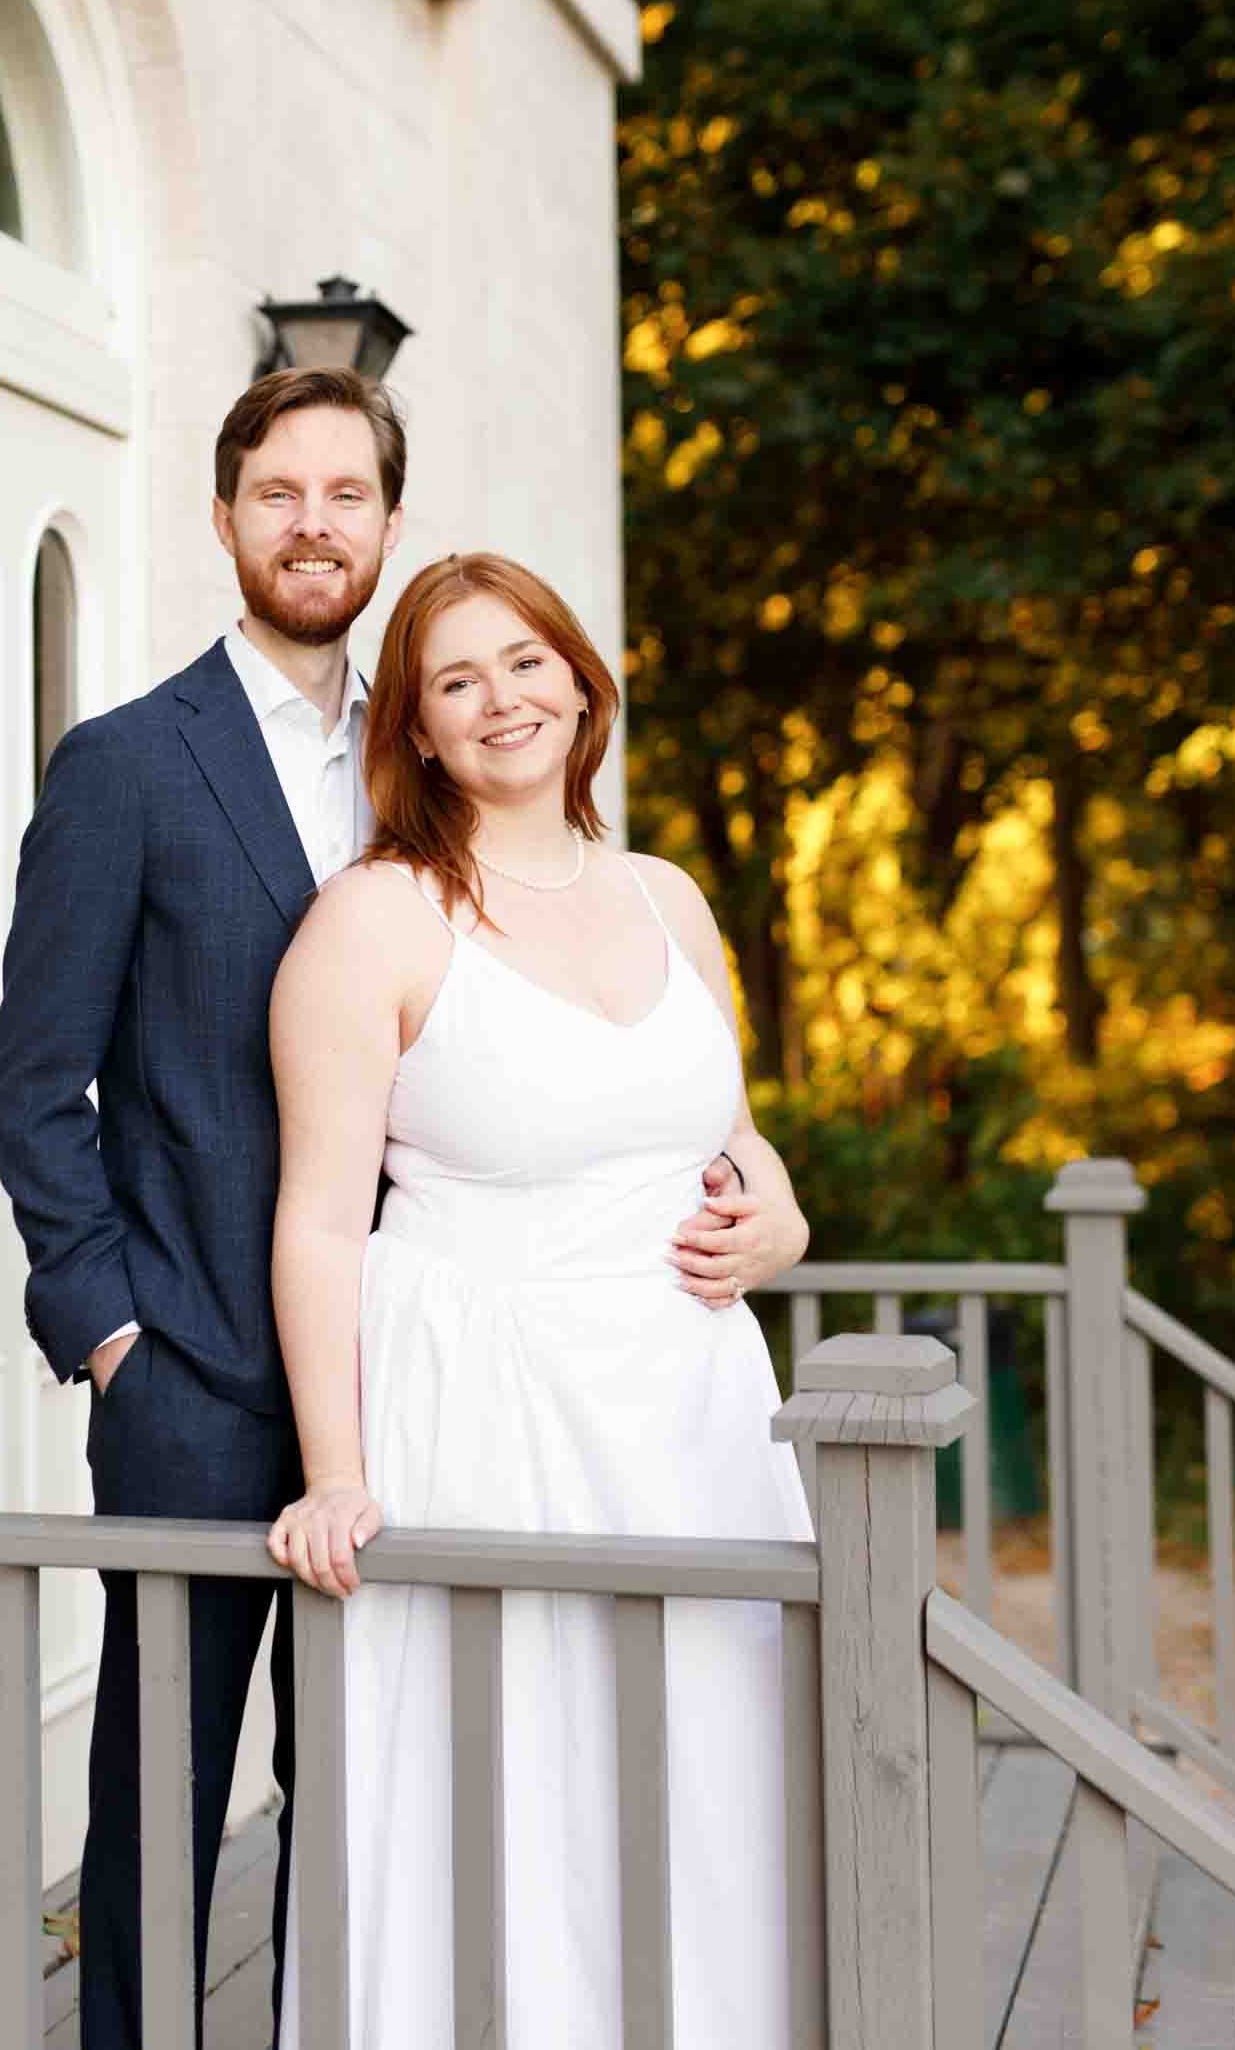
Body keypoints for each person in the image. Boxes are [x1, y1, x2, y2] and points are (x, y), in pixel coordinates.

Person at [266, 551, 814, 2050]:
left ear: (581, 680)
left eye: (525, 662)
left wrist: (783, 1213)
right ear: (419, 736)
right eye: (455, 680)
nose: (501, 699)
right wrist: (336, 1473)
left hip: (697, 1417)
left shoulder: (669, 897)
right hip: (490, 1403)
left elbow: (722, 1133)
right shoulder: (375, 919)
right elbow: (318, 1217)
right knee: (520, 1784)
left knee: (713, 1766)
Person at [0, 363, 405, 2050]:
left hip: (408, 1378)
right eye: (280, 494)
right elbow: (36, 1087)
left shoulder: (428, 760)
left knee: (370, 1809)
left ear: (387, 520)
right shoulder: (126, 764)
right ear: (225, 514)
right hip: (191, 1385)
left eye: (347, 495)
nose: (314, 525)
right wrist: (109, 1336)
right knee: (158, 1813)